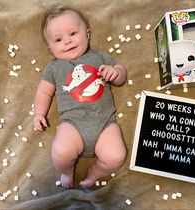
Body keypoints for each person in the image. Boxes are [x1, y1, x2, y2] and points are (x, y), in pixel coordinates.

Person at [33, 6, 127, 188]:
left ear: (87, 34)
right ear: (50, 47)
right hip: (72, 124)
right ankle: (67, 171)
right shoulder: (54, 68)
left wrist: (115, 72)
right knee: (61, 151)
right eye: (58, 39)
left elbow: (121, 73)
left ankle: (95, 171)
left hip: (105, 123)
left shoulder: (99, 56)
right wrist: (38, 113)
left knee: (116, 156)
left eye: (73, 33)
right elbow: (44, 92)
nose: (67, 42)